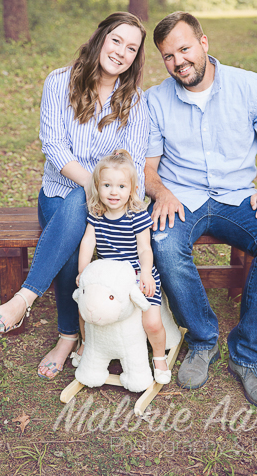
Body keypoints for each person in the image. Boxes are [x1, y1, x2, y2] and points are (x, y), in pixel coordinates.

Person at [0, 12, 150, 380]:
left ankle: (28, 304)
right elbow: (54, 147)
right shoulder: (60, 82)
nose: (121, 52)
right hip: (59, 194)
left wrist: (105, 191)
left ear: (136, 58)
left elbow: (131, 162)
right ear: (101, 37)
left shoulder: (134, 101)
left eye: (131, 48)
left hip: (113, 202)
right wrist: (95, 186)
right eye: (116, 40)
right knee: (75, 210)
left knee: (79, 218)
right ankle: (70, 336)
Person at [145, 11, 257, 409]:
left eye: (185, 48)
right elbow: (147, 168)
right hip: (182, 197)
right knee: (161, 240)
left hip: (237, 196)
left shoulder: (251, 87)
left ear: (204, 43)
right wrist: (160, 191)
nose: (179, 61)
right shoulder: (156, 100)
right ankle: (202, 339)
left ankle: (248, 357)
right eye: (168, 56)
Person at [77, 149, 169, 384]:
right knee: (85, 308)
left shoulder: (136, 215)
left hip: (138, 275)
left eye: (121, 186)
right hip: (107, 276)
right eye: (107, 185)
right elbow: (88, 242)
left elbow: (144, 249)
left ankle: (159, 357)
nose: (113, 192)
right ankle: (86, 344)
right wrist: (83, 271)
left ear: (132, 189)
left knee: (152, 322)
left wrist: (146, 274)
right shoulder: (96, 214)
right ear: (97, 186)